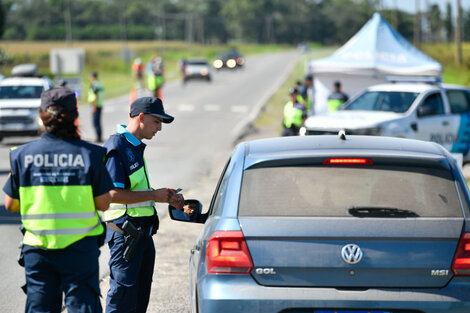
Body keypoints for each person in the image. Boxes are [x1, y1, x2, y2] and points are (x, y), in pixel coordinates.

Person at [3, 87, 113, 313]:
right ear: (75, 116)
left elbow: (11, 204)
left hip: (37, 249)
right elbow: (104, 203)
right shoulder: (91, 154)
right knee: (83, 306)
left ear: (42, 115)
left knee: (40, 308)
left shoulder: (22, 155)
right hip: (81, 248)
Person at [102, 96, 193, 313]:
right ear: (141, 117)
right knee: (122, 300)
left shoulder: (134, 146)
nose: (159, 128)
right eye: (156, 122)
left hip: (141, 236)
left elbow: (136, 191)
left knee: (138, 302)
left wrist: (165, 196)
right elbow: (112, 194)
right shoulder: (117, 146)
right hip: (125, 237)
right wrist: (154, 195)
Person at [88, 71, 105, 143]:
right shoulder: (99, 84)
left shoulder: (94, 85)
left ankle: (98, 138)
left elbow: (95, 95)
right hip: (100, 105)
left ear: (93, 77)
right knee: (98, 122)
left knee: (95, 123)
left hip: (96, 105)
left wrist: (94, 106)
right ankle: (100, 137)